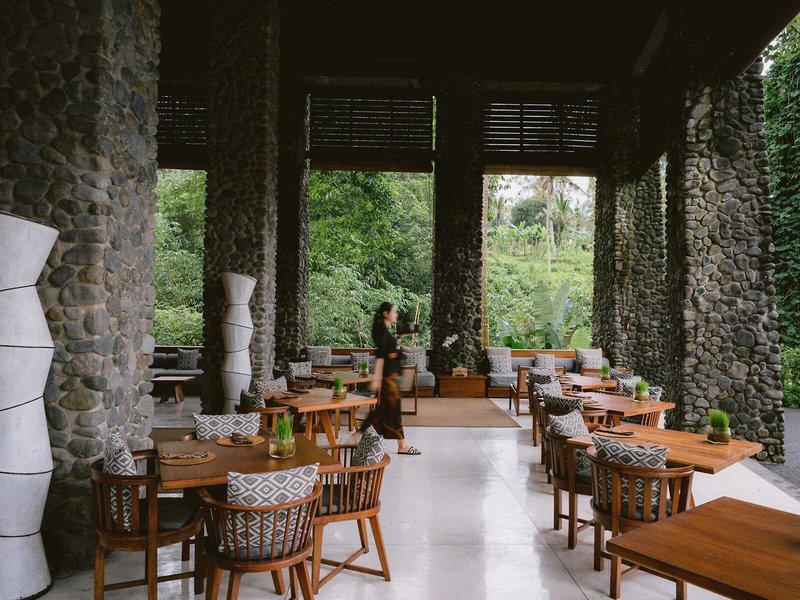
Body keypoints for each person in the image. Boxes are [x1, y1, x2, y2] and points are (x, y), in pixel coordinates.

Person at [361, 302, 421, 455]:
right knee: (393, 411)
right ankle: (402, 445)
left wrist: (402, 335)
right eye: (394, 311)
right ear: (386, 313)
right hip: (388, 379)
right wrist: (376, 380)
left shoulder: (385, 331)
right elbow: (380, 357)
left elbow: (390, 347)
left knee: (383, 411)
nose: (396, 314)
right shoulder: (382, 332)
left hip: (391, 377)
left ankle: (358, 436)